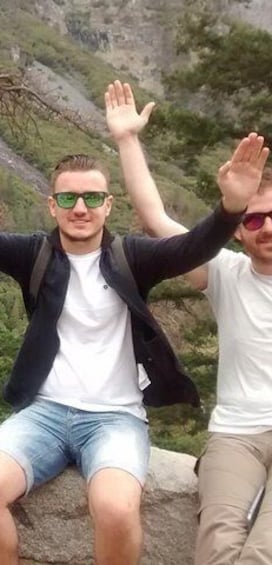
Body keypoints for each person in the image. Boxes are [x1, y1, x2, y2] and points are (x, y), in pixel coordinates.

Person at [0, 123, 259, 564]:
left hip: (116, 417)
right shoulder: (35, 255)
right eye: (68, 198)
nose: (80, 208)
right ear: (53, 205)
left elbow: (191, 248)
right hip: (44, 413)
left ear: (108, 205)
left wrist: (232, 208)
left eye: (91, 198)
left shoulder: (133, 257)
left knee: (114, 508)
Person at [105, 79, 272, 565]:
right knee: (218, 542)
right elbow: (155, 217)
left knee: (263, 550)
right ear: (239, 232)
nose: (266, 228)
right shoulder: (225, 273)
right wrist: (127, 139)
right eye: (255, 220)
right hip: (236, 434)